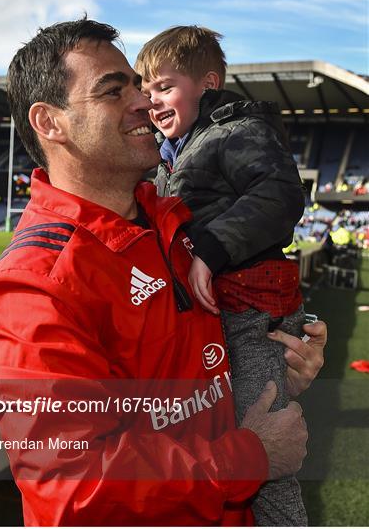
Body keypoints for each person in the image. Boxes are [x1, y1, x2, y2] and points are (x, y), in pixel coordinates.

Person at [0, 19, 325, 526]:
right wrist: (252, 456)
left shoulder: (177, 226)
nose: (142, 101)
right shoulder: (28, 290)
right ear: (50, 122)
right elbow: (76, 489)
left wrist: (273, 370)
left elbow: (191, 377)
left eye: (137, 84)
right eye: (114, 91)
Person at [136, 26, 310, 525]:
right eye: (145, 90)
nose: (151, 100)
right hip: (219, 315)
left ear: (208, 85)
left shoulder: (235, 131)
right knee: (214, 441)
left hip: (252, 316)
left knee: (265, 447)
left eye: (163, 86)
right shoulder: (171, 150)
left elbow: (279, 195)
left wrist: (209, 251)